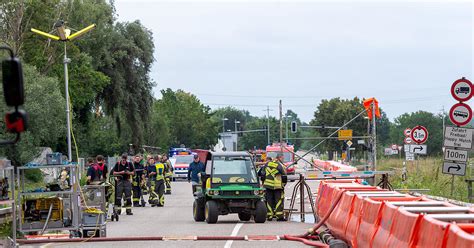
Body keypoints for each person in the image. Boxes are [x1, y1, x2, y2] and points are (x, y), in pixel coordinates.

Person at [261, 153, 287, 221]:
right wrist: (283, 185)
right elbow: (284, 176)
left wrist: (264, 183)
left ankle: (269, 216)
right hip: (277, 186)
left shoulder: (267, 164)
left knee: (269, 200)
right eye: (282, 158)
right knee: (278, 200)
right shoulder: (279, 165)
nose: (283, 159)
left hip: (268, 186)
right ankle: (279, 216)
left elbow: (262, 174)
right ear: (280, 158)